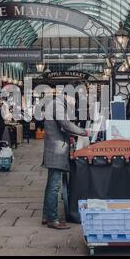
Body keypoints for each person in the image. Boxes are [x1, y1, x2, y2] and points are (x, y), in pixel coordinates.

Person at [42, 93, 89, 230]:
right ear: (69, 96)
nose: (74, 103)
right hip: (56, 150)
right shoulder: (58, 104)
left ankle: (47, 215)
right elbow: (66, 124)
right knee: (54, 186)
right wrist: (84, 132)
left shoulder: (57, 103)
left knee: (51, 184)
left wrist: (70, 136)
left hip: (54, 148)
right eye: (74, 100)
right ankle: (52, 219)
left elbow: (61, 127)